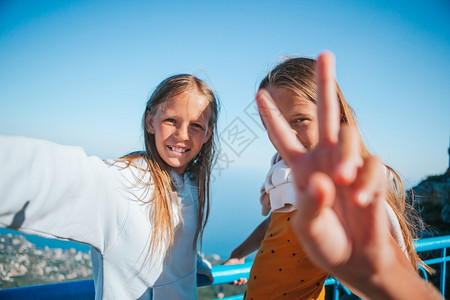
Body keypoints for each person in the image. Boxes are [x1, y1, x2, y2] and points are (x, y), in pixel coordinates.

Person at [225, 52, 429, 299]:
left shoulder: (335, 191)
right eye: (273, 125)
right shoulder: (286, 178)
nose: (286, 135)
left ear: (335, 115)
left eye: (300, 120)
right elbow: (278, 219)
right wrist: (239, 251)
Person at [0, 74, 219, 299]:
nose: (182, 135)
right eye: (171, 120)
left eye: (195, 125)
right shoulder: (121, 185)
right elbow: (52, 174)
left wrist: (197, 265)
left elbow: (177, 245)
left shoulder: (192, 186)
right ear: (149, 121)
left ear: (208, 133)